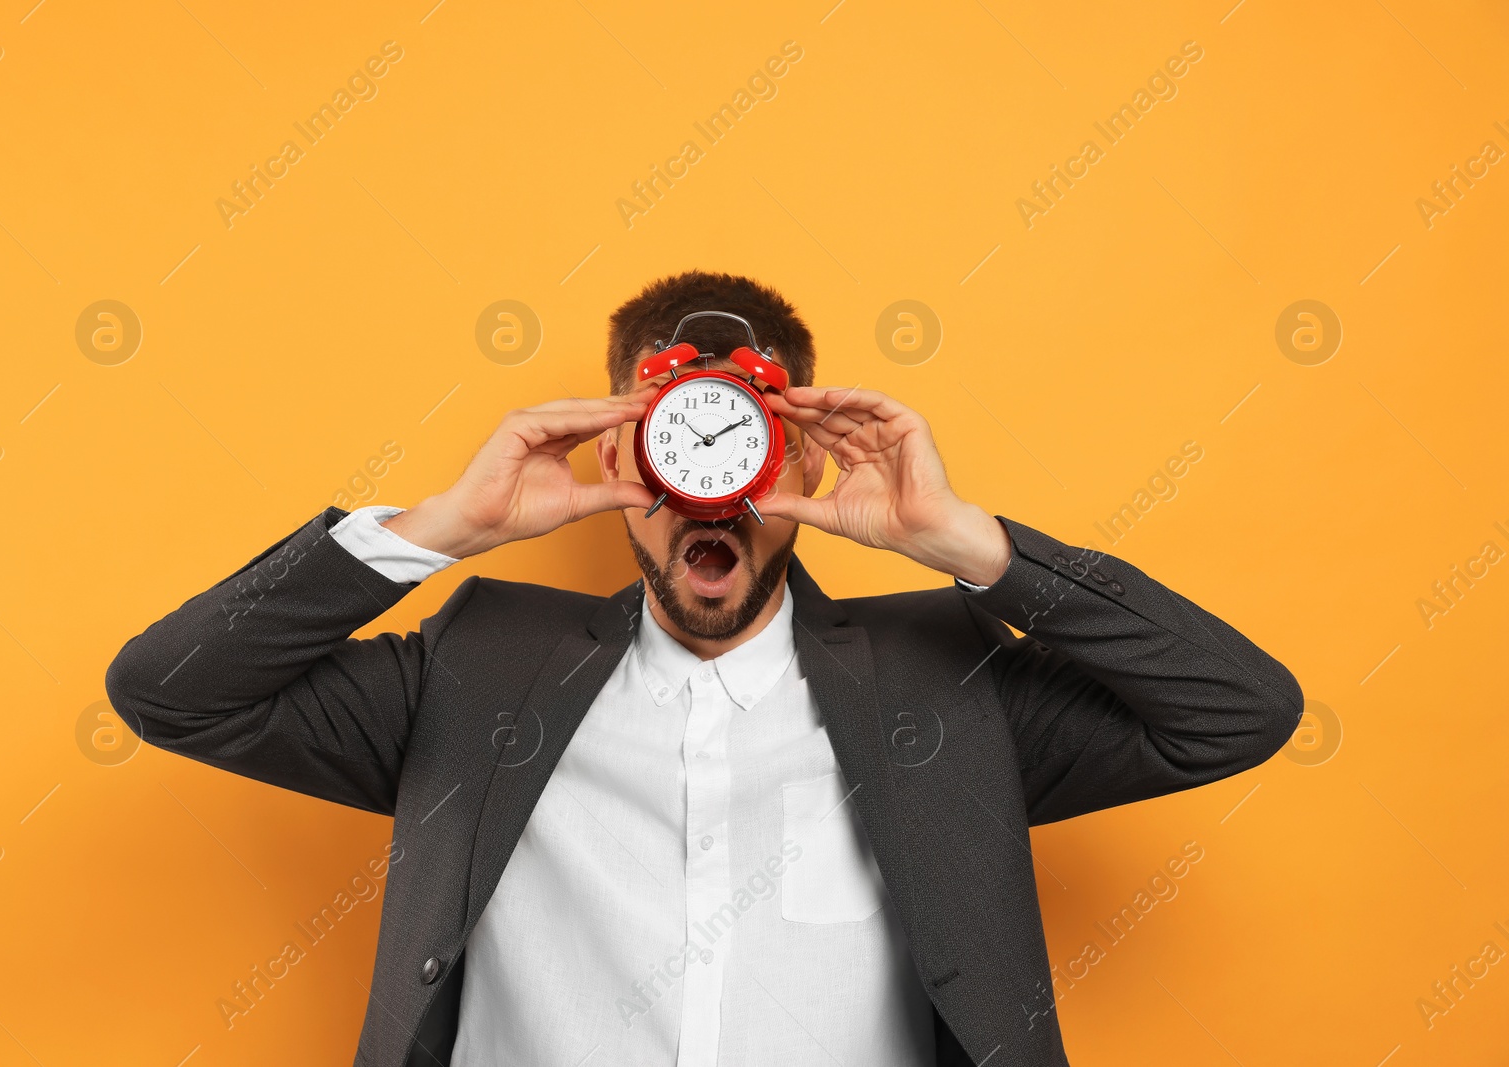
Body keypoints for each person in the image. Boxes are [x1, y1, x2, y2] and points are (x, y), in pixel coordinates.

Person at [106, 271, 1302, 1067]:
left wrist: (969, 545)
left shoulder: (943, 680)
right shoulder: (475, 671)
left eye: (743, 444)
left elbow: (1238, 708)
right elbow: (169, 686)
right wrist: (436, 529)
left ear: (801, 463)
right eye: (678, 442)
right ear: (628, 445)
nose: (707, 489)